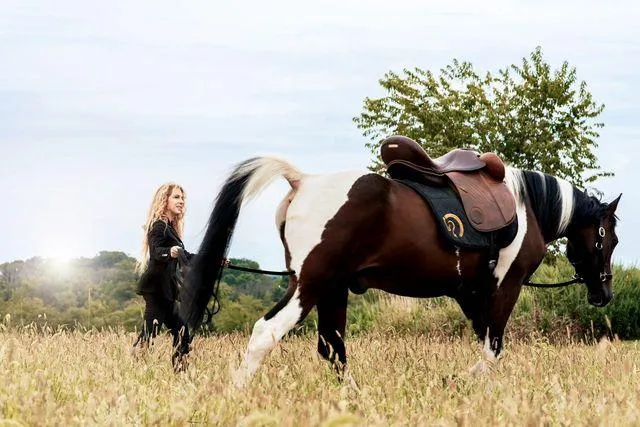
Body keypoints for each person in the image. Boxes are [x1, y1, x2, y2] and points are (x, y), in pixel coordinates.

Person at [132, 182, 194, 372]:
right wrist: (171, 251)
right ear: (164, 200)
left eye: (182, 198)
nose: (181, 201)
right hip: (156, 289)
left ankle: (180, 372)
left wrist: (214, 260)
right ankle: (134, 370)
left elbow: (186, 256)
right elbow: (157, 251)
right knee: (151, 334)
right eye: (176, 197)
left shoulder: (170, 228)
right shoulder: (158, 225)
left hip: (165, 290)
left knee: (181, 332)